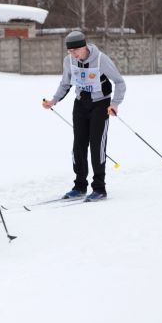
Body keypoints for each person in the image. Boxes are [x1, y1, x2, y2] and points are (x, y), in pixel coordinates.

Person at [42, 31, 126, 202]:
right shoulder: (69, 61)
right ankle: (80, 186)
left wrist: (115, 104)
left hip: (101, 105)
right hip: (80, 104)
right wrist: (53, 100)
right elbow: (65, 83)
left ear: (84, 46)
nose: (73, 54)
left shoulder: (101, 59)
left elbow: (119, 82)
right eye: (70, 51)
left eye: (76, 51)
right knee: (78, 146)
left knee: (97, 146)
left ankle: (99, 188)